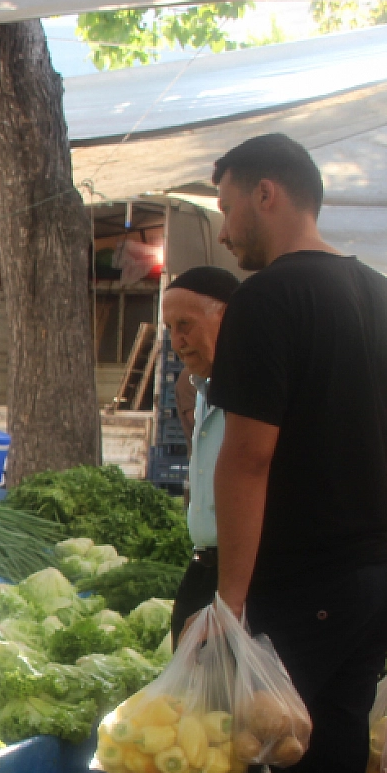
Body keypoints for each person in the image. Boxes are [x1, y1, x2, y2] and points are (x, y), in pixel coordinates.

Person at [45, 133, 387, 773]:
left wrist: (227, 607)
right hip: (380, 573)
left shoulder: (271, 301)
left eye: (224, 207)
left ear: (268, 194)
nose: (223, 231)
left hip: (305, 579)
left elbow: (249, 462)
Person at [160, 265, 240, 643]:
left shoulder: (252, 399)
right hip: (206, 567)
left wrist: (230, 602)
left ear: (226, 318)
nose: (177, 341)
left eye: (185, 325)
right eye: (169, 329)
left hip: (239, 579)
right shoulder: (202, 388)